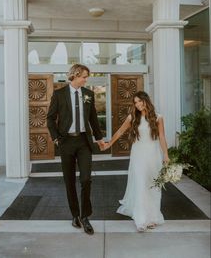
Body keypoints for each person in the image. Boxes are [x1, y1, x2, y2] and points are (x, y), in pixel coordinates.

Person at [47, 64, 105, 235]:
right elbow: (50, 118)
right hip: (66, 143)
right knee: (69, 180)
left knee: (86, 179)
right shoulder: (59, 94)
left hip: (84, 142)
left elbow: (93, 118)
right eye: (84, 76)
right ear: (74, 75)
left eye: (87, 77)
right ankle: (74, 215)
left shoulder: (89, 94)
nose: (86, 80)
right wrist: (56, 138)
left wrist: (99, 139)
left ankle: (85, 216)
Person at [102, 91, 169, 232]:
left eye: (140, 101)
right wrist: (109, 144)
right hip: (138, 155)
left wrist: (166, 155)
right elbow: (120, 131)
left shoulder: (158, 117)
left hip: (153, 154)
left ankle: (152, 217)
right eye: (135, 102)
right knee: (140, 184)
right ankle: (141, 219)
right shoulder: (133, 117)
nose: (138, 105)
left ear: (146, 101)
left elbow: (162, 137)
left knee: (152, 185)